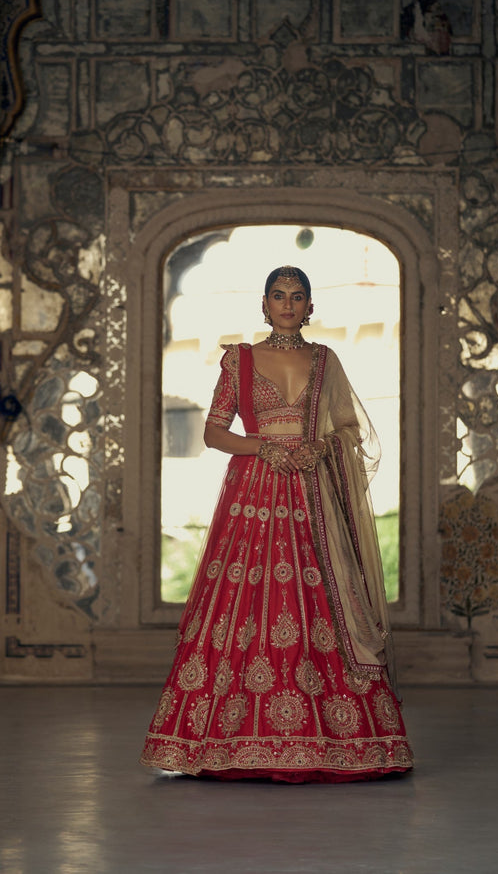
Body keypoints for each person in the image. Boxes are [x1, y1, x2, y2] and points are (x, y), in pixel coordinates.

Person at [140, 265, 413, 782]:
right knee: (245, 606)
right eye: (278, 295)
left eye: (298, 296)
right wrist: (265, 447)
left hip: (313, 496)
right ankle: (226, 741)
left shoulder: (326, 362)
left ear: (311, 307)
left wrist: (320, 448)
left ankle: (340, 741)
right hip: (254, 497)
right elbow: (214, 433)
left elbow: (351, 431)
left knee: (324, 602)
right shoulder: (238, 360)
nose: (287, 304)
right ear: (263, 304)